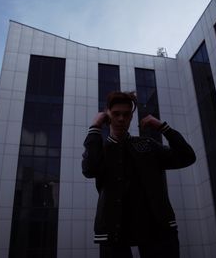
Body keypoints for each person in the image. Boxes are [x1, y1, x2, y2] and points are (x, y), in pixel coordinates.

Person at [82, 91, 196, 258]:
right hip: (112, 231)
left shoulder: (146, 144)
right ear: (108, 115)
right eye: (116, 114)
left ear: (131, 117)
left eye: (126, 114)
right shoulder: (100, 150)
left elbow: (187, 157)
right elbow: (89, 169)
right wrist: (95, 126)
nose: (121, 119)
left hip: (157, 227)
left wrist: (162, 126)